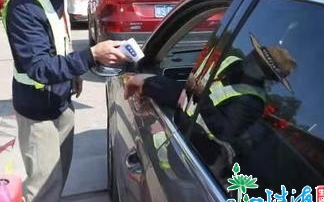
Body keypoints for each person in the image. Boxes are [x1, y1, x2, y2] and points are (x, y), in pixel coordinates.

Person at [4, 0, 128, 202]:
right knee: (43, 186)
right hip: (37, 109)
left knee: (56, 179)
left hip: (60, 98)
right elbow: (39, 67)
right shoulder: (23, 4)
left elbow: (58, 38)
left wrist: (72, 74)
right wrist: (90, 57)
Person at [125, 33, 297, 171]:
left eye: (261, 63)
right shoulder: (233, 62)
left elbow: (219, 130)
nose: (252, 58)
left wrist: (154, 85)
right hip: (169, 140)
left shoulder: (250, 101)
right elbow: (196, 84)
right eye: (256, 53)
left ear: (267, 76)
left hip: (186, 162)